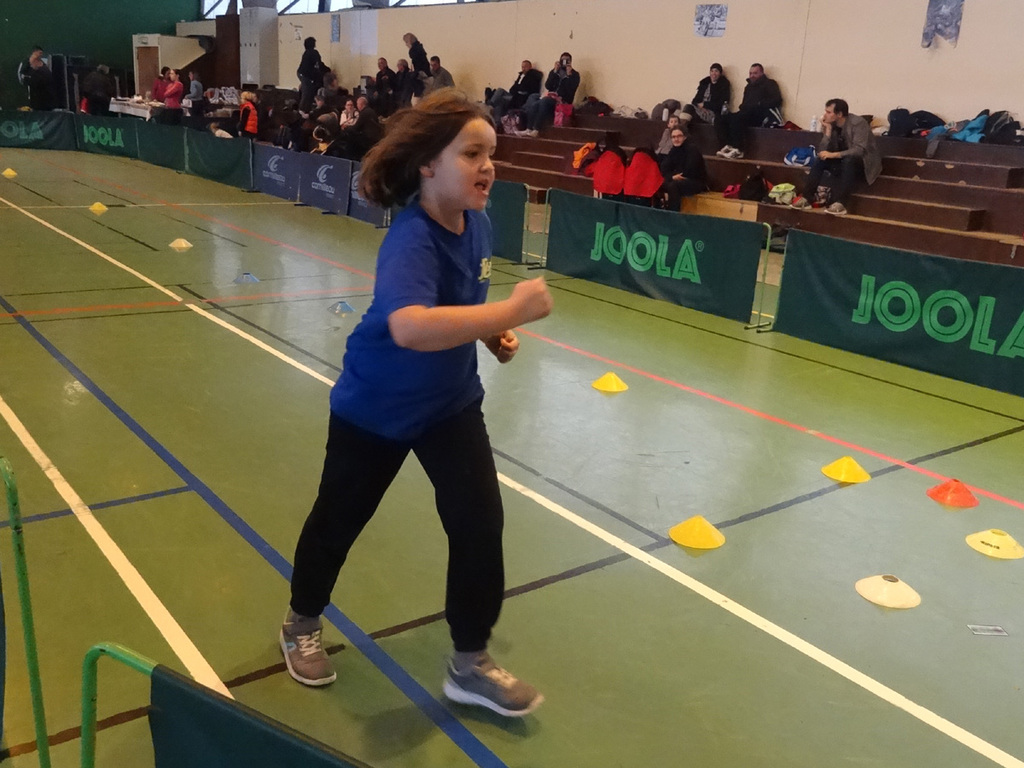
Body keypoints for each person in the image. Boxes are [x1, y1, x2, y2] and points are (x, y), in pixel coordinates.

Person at [279, 89, 552, 718]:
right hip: (376, 407)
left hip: (449, 404)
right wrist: (510, 311)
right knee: (338, 521)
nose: (488, 167)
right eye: (472, 154)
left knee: (479, 522)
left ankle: (470, 663)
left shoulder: (478, 224)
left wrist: (489, 333)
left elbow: (456, 301)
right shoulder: (410, 238)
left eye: (491, 154)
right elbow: (409, 326)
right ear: (428, 163)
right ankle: (301, 621)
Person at [790, 98, 882, 216]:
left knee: (849, 161)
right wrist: (828, 131)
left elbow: (859, 150)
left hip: (864, 164)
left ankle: (841, 203)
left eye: (829, 112)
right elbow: (822, 151)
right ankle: (807, 198)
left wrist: (834, 155)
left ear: (839, 114)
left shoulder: (858, 123)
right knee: (820, 160)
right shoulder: (831, 125)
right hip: (841, 161)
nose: (825, 115)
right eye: (825, 111)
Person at [715, 63, 782, 159]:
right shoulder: (748, 87)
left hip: (761, 115)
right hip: (746, 113)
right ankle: (727, 145)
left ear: (762, 73)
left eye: (755, 73)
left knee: (737, 118)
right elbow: (744, 104)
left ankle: (738, 149)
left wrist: (759, 104)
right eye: (750, 73)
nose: (752, 75)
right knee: (721, 118)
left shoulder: (770, 84)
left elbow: (777, 100)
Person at [522, 52, 580, 136]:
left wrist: (569, 76)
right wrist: (554, 71)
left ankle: (536, 129)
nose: (564, 62)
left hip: (563, 100)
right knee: (534, 102)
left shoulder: (575, 75)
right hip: (551, 96)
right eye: (562, 60)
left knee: (544, 101)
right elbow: (548, 85)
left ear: (570, 62)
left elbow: (571, 90)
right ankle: (528, 128)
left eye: (566, 60)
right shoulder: (555, 72)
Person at [660, 124, 708, 211]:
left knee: (673, 186)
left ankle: (673, 214)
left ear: (685, 137)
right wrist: (672, 177)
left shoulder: (692, 149)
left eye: (679, 136)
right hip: (678, 179)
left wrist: (673, 176)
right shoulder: (673, 150)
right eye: (673, 137)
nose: (676, 139)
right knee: (659, 183)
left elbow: (689, 171)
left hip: (695, 182)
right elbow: (664, 168)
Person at [487, 60, 542, 130]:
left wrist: (517, 87)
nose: (523, 69)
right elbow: (512, 89)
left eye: (525, 67)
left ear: (530, 67)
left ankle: (495, 118)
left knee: (500, 101)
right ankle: (491, 105)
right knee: (500, 90)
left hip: (519, 97)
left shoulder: (532, 76)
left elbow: (524, 88)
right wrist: (517, 87)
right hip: (513, 94)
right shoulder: (521, 75)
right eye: (522, 67)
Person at [17, 46, 54, 111]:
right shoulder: (26, 62)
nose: (41, 55)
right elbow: (21, 75)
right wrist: (30, 80)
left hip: (45, 91)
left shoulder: (43, 63)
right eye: (40, 53)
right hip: (33, 90)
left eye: (42, 53)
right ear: (34, 52)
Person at [297, 37, 324, 113]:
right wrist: (326, 70)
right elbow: (319, 64)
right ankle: (301, 111)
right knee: (306, 93)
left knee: (308, 92)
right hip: (305, 75)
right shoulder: (313, 53)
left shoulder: (306, 53)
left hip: (302, 74)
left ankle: (305, 110)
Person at [403, 33, 430, 102]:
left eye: (406, 42)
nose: (406, 45)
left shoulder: (414, 50)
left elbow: (418, 64)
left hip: (422, 74)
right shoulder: (420, 48)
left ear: (409, 41)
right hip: (425, 73)